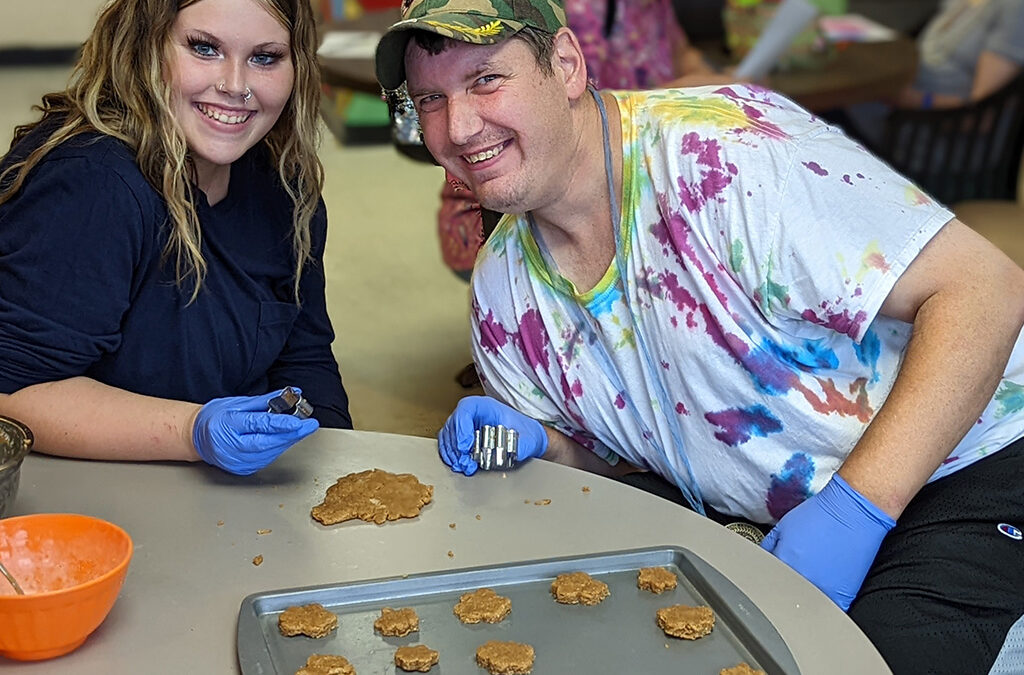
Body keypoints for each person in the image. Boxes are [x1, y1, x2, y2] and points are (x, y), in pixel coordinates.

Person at [374, 0, 1024, 673]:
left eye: (485, 79)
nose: (458, 125)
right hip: (767, 512)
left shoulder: (727, 158)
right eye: (430, 97)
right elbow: (634, 468)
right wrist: (554, 448)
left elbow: (988, 290)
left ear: (566, 65)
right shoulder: (503, 293)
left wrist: (854, 511)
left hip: (967, 461)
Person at [0, 0, 351, 476]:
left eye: (265, 57)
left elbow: (304, 357)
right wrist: (193, 430)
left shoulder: (285, 190)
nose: (235, 85)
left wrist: (338, 468)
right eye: (204, 48)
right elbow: (13, 389)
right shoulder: (93, 183)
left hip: (235, 502)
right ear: (144, 45)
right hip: (93, 499)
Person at [437, 0, 734, 283]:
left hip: (640, 175)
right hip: (512, 203)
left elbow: (680, 52)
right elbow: (583, 118)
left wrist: (717, 80)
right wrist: (679, 98)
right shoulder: (552, 15)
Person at [842, 0, 1024, 145]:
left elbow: (980, 118)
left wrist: (918, 100)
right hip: (894, 105)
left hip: (927, 139)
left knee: (827, 115)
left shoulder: (1015, 9)